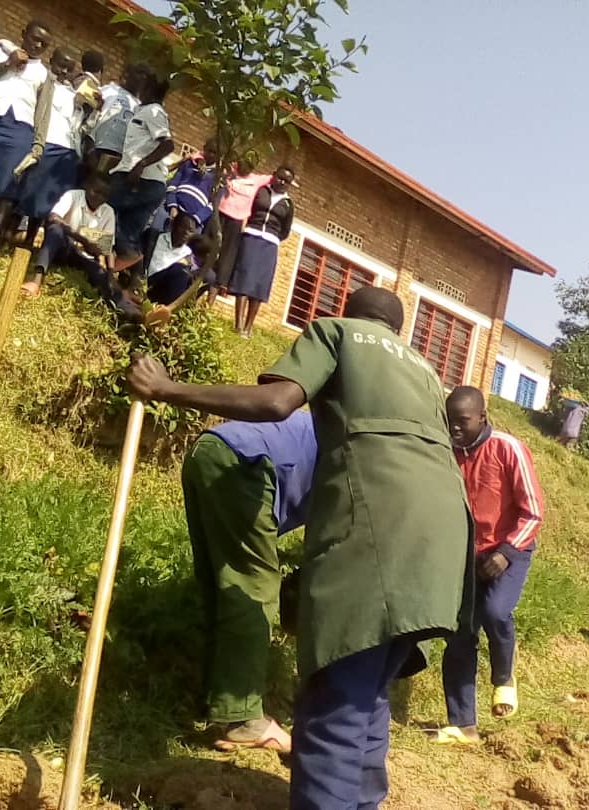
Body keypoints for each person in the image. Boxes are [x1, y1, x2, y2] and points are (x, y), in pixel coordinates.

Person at [127, 285, 473, 810]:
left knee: (334, 696)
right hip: (445, 537)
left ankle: (258, 731)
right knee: (369, 688)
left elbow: (275, 402)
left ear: (350, 316)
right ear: (397, 330)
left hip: (380, 524)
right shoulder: (427, 373)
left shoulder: (337, 333)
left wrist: (168, 387)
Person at [182, 410, 318, 754]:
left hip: (211, 450)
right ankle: (244, 720)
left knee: (222, 589)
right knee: (253, 589)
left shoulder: (347, 432)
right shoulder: (362, 455)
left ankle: (216, 707)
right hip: (246, 463)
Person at [438, 386, 543, 745]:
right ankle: (463, 723)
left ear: (482, 416)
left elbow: (533, 512)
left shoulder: (507, 448)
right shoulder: (446, 452)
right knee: (460, 634)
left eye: (462, 422)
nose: (455, 429)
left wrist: (506, 552)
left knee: (496, 612)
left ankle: (504, 678)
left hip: (510, 548)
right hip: (466, 555)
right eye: (449, 421)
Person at [0, 20, 52, 244]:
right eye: (35, 39)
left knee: (6, 191)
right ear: (23, 33)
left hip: (19, 133)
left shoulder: (45, 74)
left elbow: (42, 114)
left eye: (43, 44)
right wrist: (7, 63)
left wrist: (38, 145)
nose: (37, 45)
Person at [23, 171, 139, 318]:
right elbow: (53, 217)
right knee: (55, 230)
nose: (99, 197)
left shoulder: (108, 212)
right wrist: (83, 239)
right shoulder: (73, 196)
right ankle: (36, 281)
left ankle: (132, 314)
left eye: (104, 195)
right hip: (62, 247)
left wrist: (110, 273)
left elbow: (107, 247)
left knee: (102, 277)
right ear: (87, 186)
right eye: (96, 191)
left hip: (84, 257)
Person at [14, 46, 80, 245]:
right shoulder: (45, 81)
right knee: (29, 193)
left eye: (69, 69)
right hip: (45, 144)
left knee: (49, 201)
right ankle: (7, 235)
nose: (64, 72)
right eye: (61, 66)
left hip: (67, 150)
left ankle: (30, 242)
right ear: (52, 61)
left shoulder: (75, 93)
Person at [108, 72, 173, 270]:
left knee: (106, 209)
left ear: (150, 89)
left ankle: (119, 260)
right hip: (148, 182)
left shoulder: (154, 111)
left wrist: (142, 164)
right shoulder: (142, 110)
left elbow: (168, 145)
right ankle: (129, 279)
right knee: (129, 232)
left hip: (144, 180)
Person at [227, 164, 294, 338]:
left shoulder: (288, 204)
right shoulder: (261, 191)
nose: (282, 182)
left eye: (286, 181)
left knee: (259, 285)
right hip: (251, 236)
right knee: (244, 278)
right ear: (273, 176)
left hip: (270, 244)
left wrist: (272, 236)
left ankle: (249, 328)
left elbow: (285, 231)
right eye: (280, 177)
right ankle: (238, 325)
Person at [208, 154, 271, 302]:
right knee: (208, 250)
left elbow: (274, 177)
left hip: (236, 221)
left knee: (226, 259)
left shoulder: (256, 180)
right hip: (219, 216)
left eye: (248, 166)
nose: (244, 168)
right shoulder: (229, 172)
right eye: (242, 164)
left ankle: (209, 302)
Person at [84, 62, 147, 172]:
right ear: (127, 74)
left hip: (117, 159)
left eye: (145, 76)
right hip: (95, 149)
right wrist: (89, 149)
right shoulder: (109, 91)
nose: (142, 78)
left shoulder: (140, 108)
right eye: (139, 73)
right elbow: (92, 117)